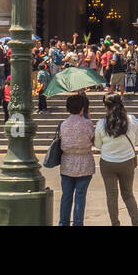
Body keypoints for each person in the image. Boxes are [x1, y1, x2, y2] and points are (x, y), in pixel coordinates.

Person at [93, 92, 138, 226]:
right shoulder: (132, 119)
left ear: (106, 106)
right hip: (127, 162)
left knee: (111, 195)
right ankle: (136, 223)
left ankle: (115, 223)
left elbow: (97, 145)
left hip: (108, 163)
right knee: (128, 195)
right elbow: (137, 140)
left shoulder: (101, 123)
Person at [57, 92, 96, 226]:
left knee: (66, 196)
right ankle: (78, 223)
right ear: (82, 108)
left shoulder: (63, 124)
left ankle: (63, 223)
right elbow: (94, 141)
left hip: (67, 163)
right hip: (85, 164)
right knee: (80, 196)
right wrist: (88, 118)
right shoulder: (88, 124)